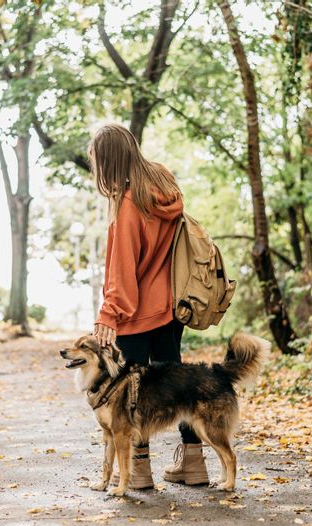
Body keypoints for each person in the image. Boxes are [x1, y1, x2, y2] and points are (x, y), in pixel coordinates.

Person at [89, 123, 208, 488]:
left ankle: (138, 470)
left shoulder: (129, 204)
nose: (95, 168)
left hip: (136, 314)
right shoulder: (164, 182)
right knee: (177, 385)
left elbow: (123, 269)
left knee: (132, 393)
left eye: (96, 161)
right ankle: (194, 463)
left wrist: (109, 312)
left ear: (108, 161)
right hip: (171, 307)